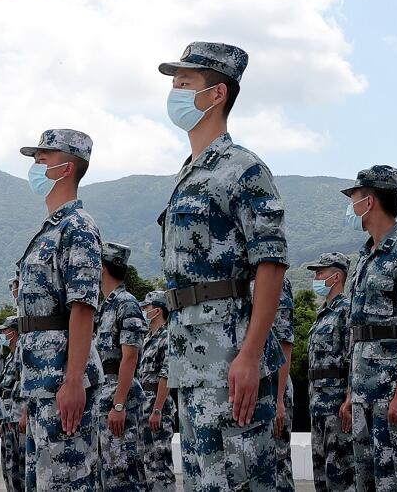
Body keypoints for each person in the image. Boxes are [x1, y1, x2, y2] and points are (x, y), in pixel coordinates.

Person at [157, 42, 287, 491]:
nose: (174, 92)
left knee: (239, 477)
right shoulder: (188, 174)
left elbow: (271, 263)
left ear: (216, 94)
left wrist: (249, 355)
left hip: (228, 354)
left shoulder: (242, 169)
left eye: (185, 83)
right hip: (190, 357)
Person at [15, 128, 104, 491]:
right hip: (41, 382)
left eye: (42, 160)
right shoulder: (50, 229)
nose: (35, 167)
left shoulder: (78, 227)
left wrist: (73, 380)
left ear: (66, 168)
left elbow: (82, 307)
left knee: (66, 481)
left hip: (61, 379)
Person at [340, 166, 397, 492]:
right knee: (367, 482)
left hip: (391, 394)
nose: (351, 206)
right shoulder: (365, 256)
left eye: (354, 198)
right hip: (363, 395)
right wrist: (351, 393)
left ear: (370, 201)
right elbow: (359, 333)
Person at [94, 241, 146, 492]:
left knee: (123, 475)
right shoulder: (105, 306)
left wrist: (119, 404)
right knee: (106, 476)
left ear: (102, 267)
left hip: (118, 397)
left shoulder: (126, 303)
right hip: (103, 396)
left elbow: (130, 357)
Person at [305, 252, 355, 492]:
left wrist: (350, 398)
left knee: (340, 477)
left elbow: (352, 357)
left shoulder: (346, 311)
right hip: (318, 406)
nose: (315, 278)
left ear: (336, 277)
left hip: (337, 407)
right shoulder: (322, 314)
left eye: (320, 273)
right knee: (321, 478)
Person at [138, 291, 175, 492]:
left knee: (160, 464)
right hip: (144, 405)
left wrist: (158, 409)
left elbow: (166, 376)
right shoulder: (148, 339)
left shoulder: (166, 337)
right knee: (147, 463)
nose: (144, 310)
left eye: (147, 307)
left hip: (158, 406)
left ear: (158, 310)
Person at [0, 314, 25, 492]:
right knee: (9, 467)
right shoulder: (10, 357)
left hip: (19, 416)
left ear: (13, 333)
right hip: (9, 417)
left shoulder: (22, 353)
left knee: (21, 466)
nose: (3, 334)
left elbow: (26, 384)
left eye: (5, 331)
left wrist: (25, 414)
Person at [272, 278, 296, 492]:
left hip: (272, 387)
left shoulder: (274, 281)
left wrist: (279, 399)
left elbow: (284, 342)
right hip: (249, 386)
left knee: (278, 464)